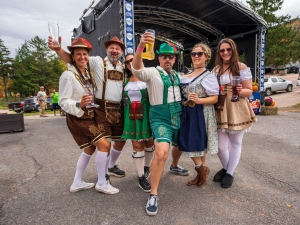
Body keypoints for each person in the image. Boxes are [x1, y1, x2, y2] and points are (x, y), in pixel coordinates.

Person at [48, 36, 127, 181]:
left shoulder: (123, 68)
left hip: (117, 109)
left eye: (117, 48)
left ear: (122, 51)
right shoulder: (97, 61)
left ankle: (111, 166)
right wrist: (58, 50)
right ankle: (104, 175)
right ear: (107, 49)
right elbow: (74, 59)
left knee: (121, 140)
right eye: (111, 48)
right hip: (101, 108)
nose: (114, 51)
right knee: (105, 143)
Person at [131, 35, 189, 215]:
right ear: (159, 58)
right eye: (164, 56)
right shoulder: (152, 72)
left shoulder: (178, 75)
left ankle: (174, 165)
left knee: (180, 144)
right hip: (160, 118)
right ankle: (153, 194)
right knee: (161, 151)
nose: (167, 59)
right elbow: (136, 69)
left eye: (171, 56)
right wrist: (140, 47)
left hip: (178, 116)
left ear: (174, 59)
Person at [212, 38, 257, 188]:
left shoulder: (241, 67)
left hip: (237, 106)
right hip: (220, 108)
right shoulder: (216, 69)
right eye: (222, 50)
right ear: (219, 52)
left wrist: (240, 90)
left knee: (236, 143)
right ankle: (226, 168)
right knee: (220, 146)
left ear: (233, 50)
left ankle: (229, 173)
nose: (225, 52)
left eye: (228, 49)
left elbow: (249, 91)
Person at [178, 43, 219, 187]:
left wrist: (199, 100)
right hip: (186, 111)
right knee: (195, 143)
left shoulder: (208, 76)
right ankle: (201, 171)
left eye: (199, 54)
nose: (195, 56)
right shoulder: (186, 75)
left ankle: (201, 171)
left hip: (199, 112)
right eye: (193, 53)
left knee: (194, 143)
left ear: (206, 57)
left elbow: (214, 98)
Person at [121, 53, 154, 192]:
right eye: (128, 61)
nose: (130, 63)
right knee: (137, 144)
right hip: (132, 115)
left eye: (132, 60)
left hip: (147, 112)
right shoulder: (125, 80)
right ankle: (141, 177)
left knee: (149, 143)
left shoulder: (148, 75)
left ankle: (147, 167)